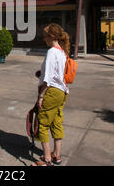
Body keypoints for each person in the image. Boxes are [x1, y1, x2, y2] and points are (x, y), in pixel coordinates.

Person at [32, 23, 70, 166]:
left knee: (42, 124)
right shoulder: (62, 52)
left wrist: (41, 96)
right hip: (62, 91)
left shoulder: (52, 52)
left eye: (45, 36)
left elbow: (47, 79)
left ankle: (47, 159)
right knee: (56, 123)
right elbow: (57, 74)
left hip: (51, 91)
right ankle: (57, 155)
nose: (44, 39)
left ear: (52, 36)